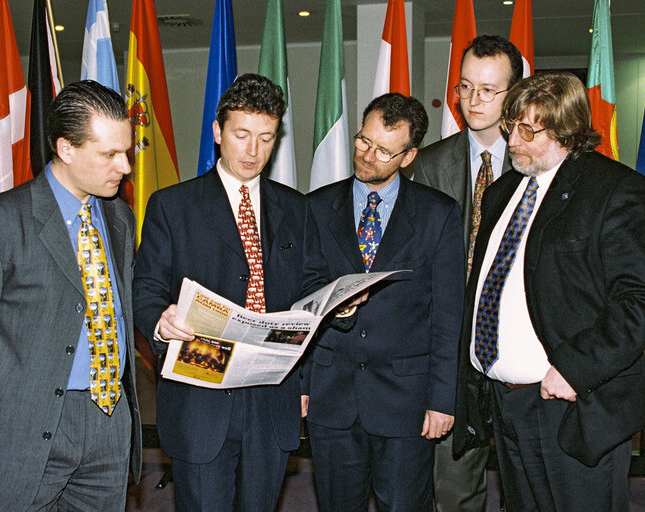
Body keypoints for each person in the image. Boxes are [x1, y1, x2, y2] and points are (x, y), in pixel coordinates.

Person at [453, 71, 645, 511]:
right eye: (509, 126)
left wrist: (575, 368)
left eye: (528, 130)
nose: (512, 139)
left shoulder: (614, 189)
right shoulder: (502, 193)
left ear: (566, 131)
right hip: (506, 403)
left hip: (573, 405)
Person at [0, 80, 142, 510]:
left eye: (126, 151)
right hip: (22, 428)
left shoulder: (118, 216)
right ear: (66, 149)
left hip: (107, 421)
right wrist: (3, 407)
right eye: (109, 154)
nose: (125, 166)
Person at [133, 73, 316, 511]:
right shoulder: (172, 205)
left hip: (273, 397)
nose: (253, 151)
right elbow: (145, 288)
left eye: (266, 138)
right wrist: (161, 319)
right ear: (217, 133)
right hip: (201, 398)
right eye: (241, 135)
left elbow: (309, 286)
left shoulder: (295, 206)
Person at [302, 93, 465, 511]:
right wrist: (300, 386)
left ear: (408, 157)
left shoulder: (438, 214)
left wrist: (442, 400)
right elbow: (299, 297)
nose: (367, 156)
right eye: (363, 141)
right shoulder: (315, 208)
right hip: (331, 394)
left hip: (405, 399)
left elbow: (448, 316)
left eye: (383, 150)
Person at [413, 34, 523, 512]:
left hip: (523, 350)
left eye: (489, 90)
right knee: (455, 485)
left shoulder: (536, 165)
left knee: (531, 482)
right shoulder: (431, 164)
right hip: (455, 352)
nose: (473, 101)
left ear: (515, 93)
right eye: (465, 87)